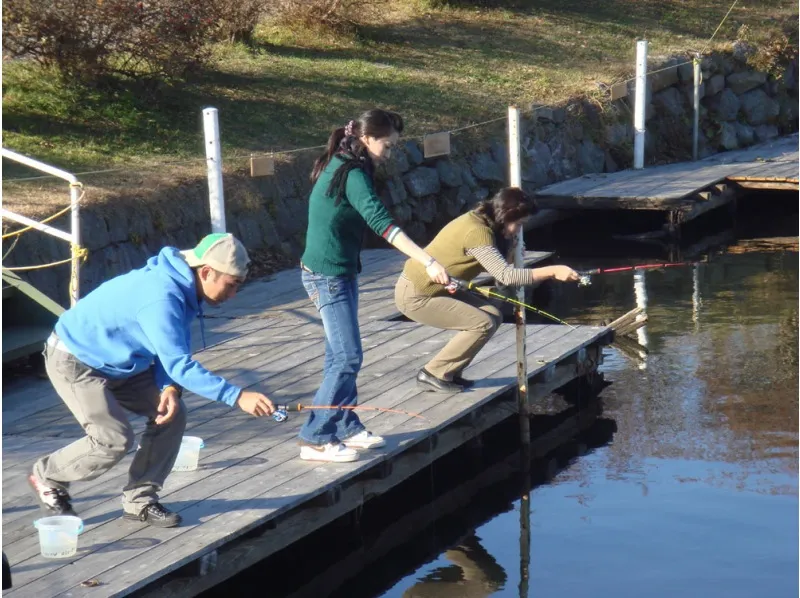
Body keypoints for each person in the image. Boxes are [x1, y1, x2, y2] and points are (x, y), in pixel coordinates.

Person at [28, 233, 276, 528]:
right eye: (231, 284)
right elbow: (180, 364)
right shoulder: (162, 296)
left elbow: (172, 348)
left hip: (124, 362)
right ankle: (48, 475)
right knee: (113, 438)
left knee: (171, 414)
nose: (233, 294)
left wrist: (167, 386)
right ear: (206, 272)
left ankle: (139, 500)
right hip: (76, 359)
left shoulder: (185, 287)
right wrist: (237, 396)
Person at [299, 108, 449, 463]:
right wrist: (428, 261)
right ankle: (315, 438)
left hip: (341, 271)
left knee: (339, 355)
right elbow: (383, 224)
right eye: (388, 145)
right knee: (348, 356)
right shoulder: (351, 173)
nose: (390, 152)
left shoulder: (349, 162)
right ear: (366, 139)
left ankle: (345, 425)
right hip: (326, 276)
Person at [395, 187, 579, 393]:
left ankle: (450, 371)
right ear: (505, 216)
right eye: (519, 224)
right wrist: (553, 271)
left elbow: (492, 266)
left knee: (493, 315)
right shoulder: (478, 232)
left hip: (438, 289)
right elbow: (506, 276)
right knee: (482, 323)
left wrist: (511, 252)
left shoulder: (481, 220)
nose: (518, 230)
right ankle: (433, 373)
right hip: (416, 294)